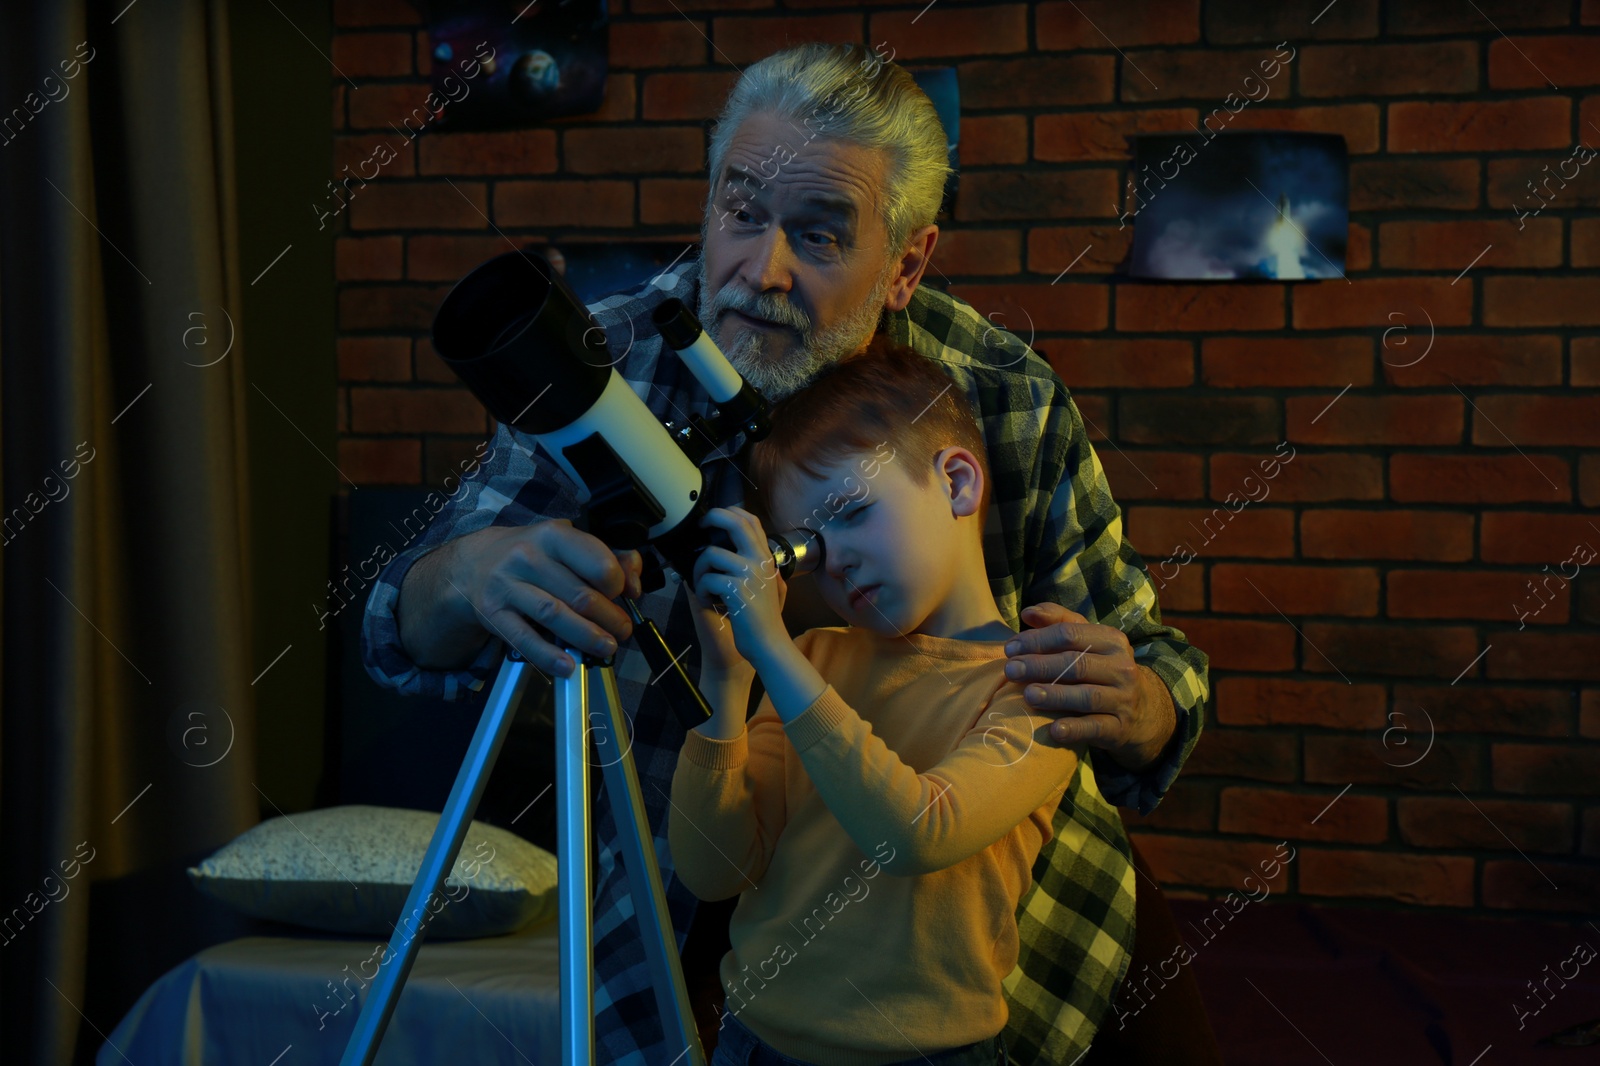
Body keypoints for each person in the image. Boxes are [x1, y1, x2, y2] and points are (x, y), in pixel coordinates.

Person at [361, 41, 1211, 1064]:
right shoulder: (607, 370)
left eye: (815, 234)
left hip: (995, 925)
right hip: (694, 893)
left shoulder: (1000, 393)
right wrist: (469, 574)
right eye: (740, 212)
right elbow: (396, 627)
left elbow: (1156, 672)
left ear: (906, 264)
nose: (760, 271)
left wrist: (1143, 705)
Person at [670, 337, 1077, 1066]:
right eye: (811, 547)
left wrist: (772, 652)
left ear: (956, 483)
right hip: (754, 1038)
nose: (836, 560)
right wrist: (728, 686)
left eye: (852, 512)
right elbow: (715, 872)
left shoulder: (1039, 687)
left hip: (927, 1052)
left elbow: (915, 834)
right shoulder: (818, 658)